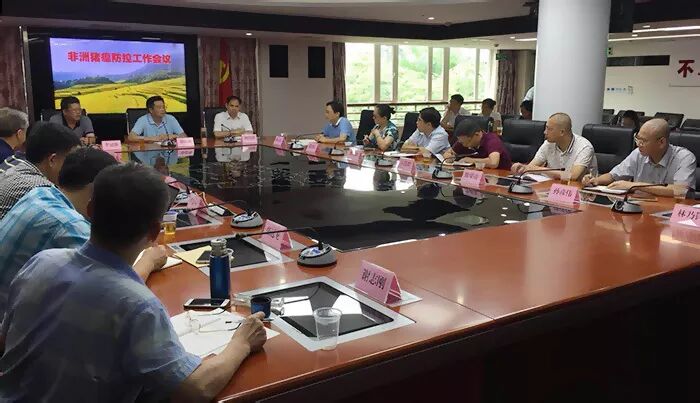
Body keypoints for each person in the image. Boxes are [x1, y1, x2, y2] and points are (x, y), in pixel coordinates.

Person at [0, 162, 267, 401]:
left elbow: (6, 337)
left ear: (90, 210)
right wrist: (241, 343)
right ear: (154, 232)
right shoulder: (137, 306)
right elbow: (197, 389)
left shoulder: (41, 262)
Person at [0, 148, 167, 317]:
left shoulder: (41, 193)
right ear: (94, 190)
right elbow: (114, 290)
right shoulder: (70, 227)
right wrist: (149, 261)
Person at [583, 119, 696, 197]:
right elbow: (613, 176)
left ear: (661, 142)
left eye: (643, 141)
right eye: (637, 139)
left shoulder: (684, 158)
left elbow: (680, 191)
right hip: (640, 209)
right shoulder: (638, 154)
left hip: (669, 213)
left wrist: (634, 186)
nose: (638, 144)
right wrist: (595, 180)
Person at [0, 122, 80, 220]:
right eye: (71, 160)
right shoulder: (39, 189)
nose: (74, 167)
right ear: (52, 160)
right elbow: (70, 224)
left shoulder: (18, 167)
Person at [511, 112, 597, 181]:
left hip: (581, 192)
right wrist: (522, 167)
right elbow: (531, 167)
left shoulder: (584, 147)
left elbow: (573, 176)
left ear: (562, 132)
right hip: (554, 187)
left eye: (549, 129)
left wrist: (538, 169)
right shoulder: (548, 144)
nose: (545, 132)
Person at [444, 118, 513, 170]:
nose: (464, 145)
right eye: (461, 142)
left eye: (468, 142)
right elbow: (449, 153)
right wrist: (448, 156)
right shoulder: (464, 140)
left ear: (477, 134)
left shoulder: (492, 140)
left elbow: (493, 162)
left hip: (501, 176)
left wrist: (470, 160)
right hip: (476, 175)